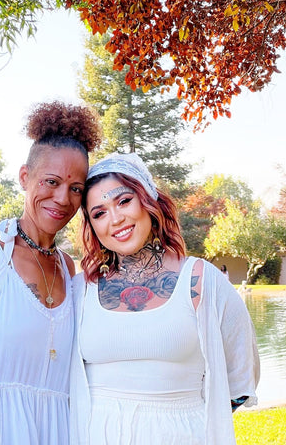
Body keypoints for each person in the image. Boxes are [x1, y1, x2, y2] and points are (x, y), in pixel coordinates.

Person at [70, 152, 260, 445]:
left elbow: (240, 380)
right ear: (92, 226)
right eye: (99, 213)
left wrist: (190, 426)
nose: (116, 218)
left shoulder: (200, 280)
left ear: (148, 201)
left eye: (123, 201)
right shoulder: (80, 290)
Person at [0, 101, 101, 444]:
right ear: (25, 177)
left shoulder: (71, 271)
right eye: (51, 181)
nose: (62, 199)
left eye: (76, 189)